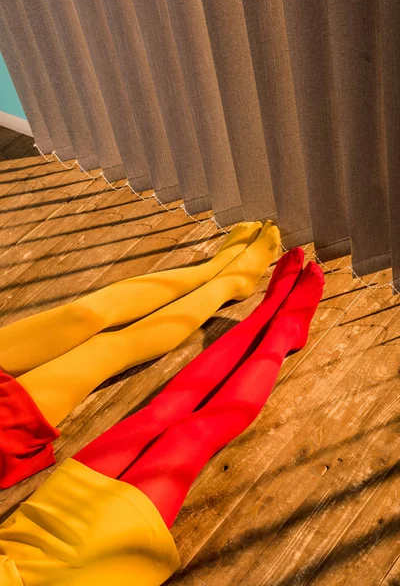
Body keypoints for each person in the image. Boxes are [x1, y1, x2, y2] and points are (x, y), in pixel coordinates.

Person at [0, 249, 324, 586]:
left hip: (26, 536)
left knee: (162, 411)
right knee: (192, 434)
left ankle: (267, 311)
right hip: (81, 570)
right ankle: (283, 332)